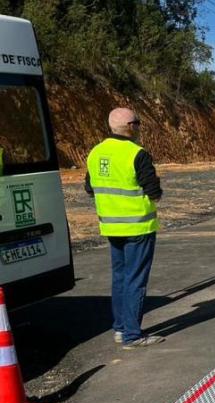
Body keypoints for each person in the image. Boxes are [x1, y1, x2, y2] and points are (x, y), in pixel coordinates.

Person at [85, 108, 164, 348]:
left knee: (120, 277)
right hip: (138, 226)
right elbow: (154, 191)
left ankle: (120, 328)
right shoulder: (137, 153)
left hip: (111, 226)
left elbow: (90, 188)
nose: (139, 128)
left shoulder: (96, 152)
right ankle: (132, 334)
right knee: (135, 280)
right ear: (130, 126)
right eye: (137, 123)